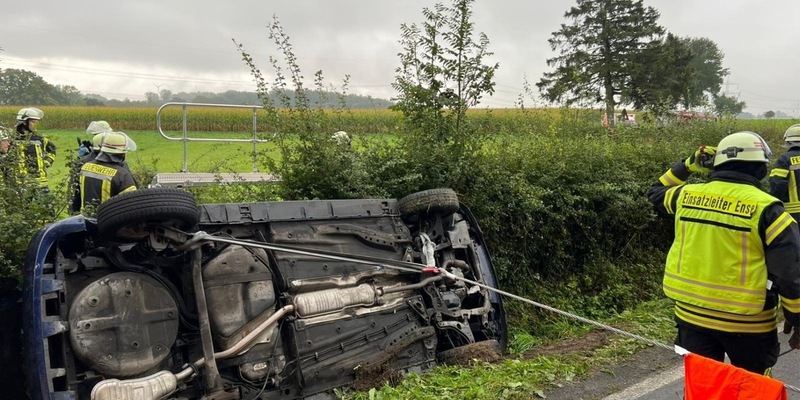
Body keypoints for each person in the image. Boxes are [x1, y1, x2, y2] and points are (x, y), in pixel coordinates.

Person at [646, 131, 800, 375]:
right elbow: (789, 276)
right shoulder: (769, 210)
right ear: (761, 169)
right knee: (752, 387)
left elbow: (656, 190)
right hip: (748, 324)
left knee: (702, 386)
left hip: (691, 316)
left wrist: (687, 165)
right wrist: (797, 319)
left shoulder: (686, 196)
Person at [78, 131, 137, 214]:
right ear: (122, 154)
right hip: (108, 222)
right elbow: (131, 205)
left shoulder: (85, 167)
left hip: (86, 220)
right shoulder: (121, 175)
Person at [14, 107, 56, 189]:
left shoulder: (40, 139)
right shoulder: (12, 140)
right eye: (33, 122)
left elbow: (52, 149)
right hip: (22, 184)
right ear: (24, 122)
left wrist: (47, 161)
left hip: (41, 183)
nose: (35, 124)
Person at [768, 124, 800, 221]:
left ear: (788, 142)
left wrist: (773, 206)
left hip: (793, 214)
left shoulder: (784, 160)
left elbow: (777, 185)